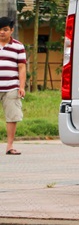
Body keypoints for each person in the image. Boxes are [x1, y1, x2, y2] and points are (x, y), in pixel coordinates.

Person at [0, 16, 27, 155]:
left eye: (5, 30)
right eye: (0, 30)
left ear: (11, 30)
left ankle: (9, 146)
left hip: (11, 86)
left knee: (12, 117)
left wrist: (21, 87)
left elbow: (21, 67)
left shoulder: (18, 46)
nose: (1, 32)